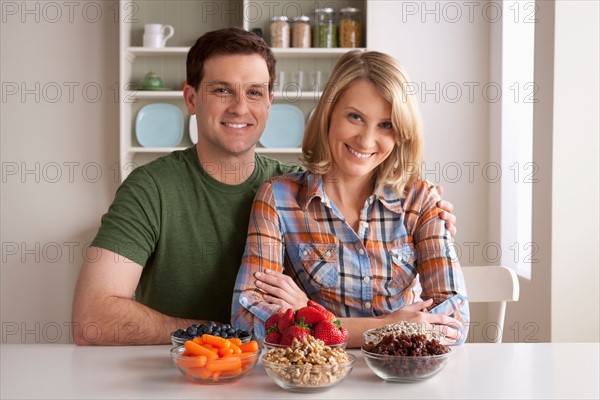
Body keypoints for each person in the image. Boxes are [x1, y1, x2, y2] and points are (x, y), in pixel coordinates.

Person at [72, 28, 457, 345]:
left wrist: (427, 214)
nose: (241, 107)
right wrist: (224, 335)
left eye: (254, 92)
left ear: (270, 101)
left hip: (283, 367)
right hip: (184, 368)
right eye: (222, 90)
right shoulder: (151, 187)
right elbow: (93, 319)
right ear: (191, 98)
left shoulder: (295, 191)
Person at [231, 50, 469, 348]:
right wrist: (384, 327)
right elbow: (246, 319)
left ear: (401, 133)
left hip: (402, 375)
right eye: (355, 117)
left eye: (386, 125)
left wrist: (310, 313)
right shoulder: (278, 198)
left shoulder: (422, 200)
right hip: (314, 378)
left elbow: (454, 321)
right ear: (329, 114)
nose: (366, 141)